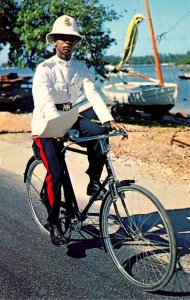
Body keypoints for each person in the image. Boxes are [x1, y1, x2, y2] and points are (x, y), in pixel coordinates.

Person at [31, 15, 126, 246]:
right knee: (56, 174)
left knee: (100, 136)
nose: (67, 43)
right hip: (46, 125)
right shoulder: (45, 69)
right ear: (54, 41)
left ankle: (94, 180)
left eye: (71, 39)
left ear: (75, 42)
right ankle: (54, 222)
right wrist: (57, 127)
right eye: (62, 38)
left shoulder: (80, 67)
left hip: (70, 118)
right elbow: (43, 101)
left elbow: (92, 94)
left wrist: (108, 119)